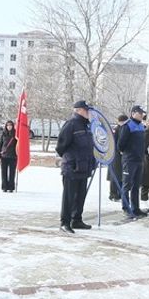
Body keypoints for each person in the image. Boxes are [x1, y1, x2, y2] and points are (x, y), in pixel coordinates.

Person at [56, 100, 97, 233]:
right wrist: (70, 159)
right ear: (78, 110)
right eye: (86, 110)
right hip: (72, 167)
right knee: (69, 196)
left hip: (84, 166)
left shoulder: (86, 126)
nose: (88, 113)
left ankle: (76, 220)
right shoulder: (71, 124)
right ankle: (65, 222)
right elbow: (61, 146)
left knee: (80, 195)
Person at [117, 106, 148, 221]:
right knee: (127, 184)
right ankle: (126, 208)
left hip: (139, 159)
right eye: (140, 113)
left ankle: (136, 208)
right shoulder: (128, 125)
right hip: (129, 160)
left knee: (136, 185)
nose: (142, 115)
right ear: (133, 113)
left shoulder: (141, 126)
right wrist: (126, 153)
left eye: (143, 113)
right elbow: (121, 143)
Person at [109, 114, 128, 200]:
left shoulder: (122, 129)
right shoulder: (118, 130)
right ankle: (113, 194)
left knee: (120, 176)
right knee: (115, 176)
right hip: (116, 156)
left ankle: (120, 193)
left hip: (120, 155)